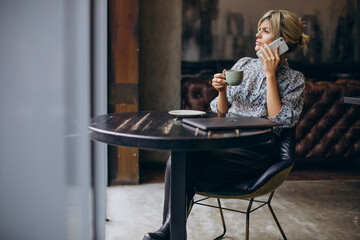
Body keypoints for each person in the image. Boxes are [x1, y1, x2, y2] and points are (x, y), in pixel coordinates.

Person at [143, 9, 310, 240]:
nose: (257, 35)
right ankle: (170, 230)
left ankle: (168, 232)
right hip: (225, 142)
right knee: (179, 158)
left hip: (258, 151)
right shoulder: (243, 64)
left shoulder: (295, 80)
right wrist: (221, 91)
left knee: (184, 164)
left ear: (283, 40)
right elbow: (220, 111)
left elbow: (279, 120)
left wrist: (270, 75)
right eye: (258, 29)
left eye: (265, 31)